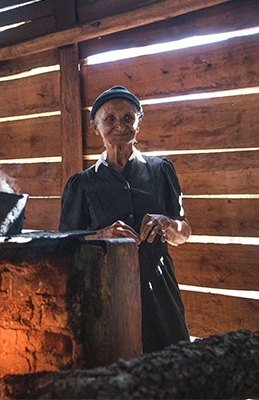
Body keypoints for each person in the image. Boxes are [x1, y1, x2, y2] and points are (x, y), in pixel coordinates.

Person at [59, 85, 192, 353]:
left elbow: (184, 231)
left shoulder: (161, 171)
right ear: (95, 127)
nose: (120, 125)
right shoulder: (82, 184)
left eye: (128, 118)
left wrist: (166, 223)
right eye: (109, 119)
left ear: (138, 124)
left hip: (159, 289)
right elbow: (64, 244)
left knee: (171, 366)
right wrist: (101, 237)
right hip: (106, 291)